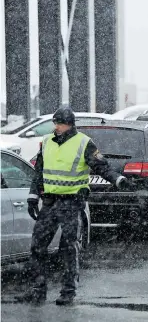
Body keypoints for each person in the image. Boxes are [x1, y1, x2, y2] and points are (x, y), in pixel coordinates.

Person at [16, 106, 133, 306]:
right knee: (37, 246)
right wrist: (33, 197)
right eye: (55, 123)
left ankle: (68, 291)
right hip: (51, 202)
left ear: (70, 125)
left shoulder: (84, 143)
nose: (56, 127)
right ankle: (37, 290)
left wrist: (118, 179)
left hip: (71, 203)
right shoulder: (46, 142)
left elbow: (101, 167)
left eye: (60, 123)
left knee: (68, 249)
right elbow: (39, 172)